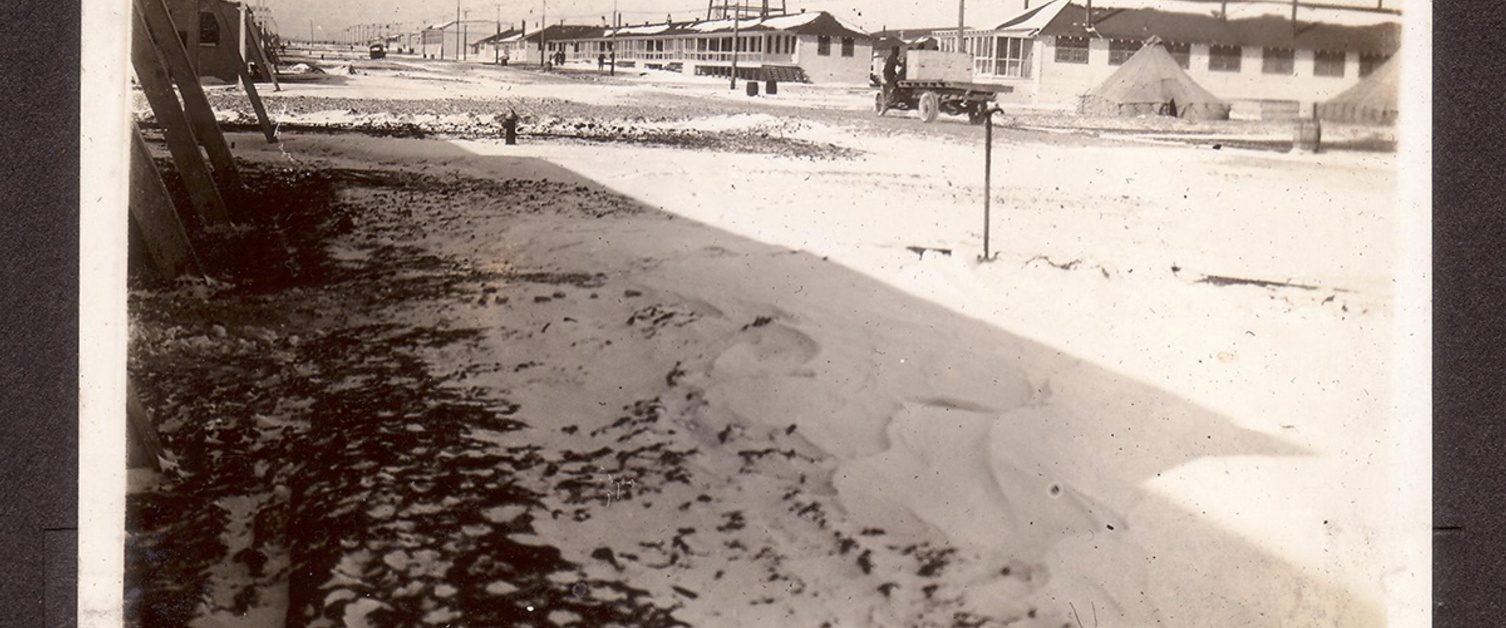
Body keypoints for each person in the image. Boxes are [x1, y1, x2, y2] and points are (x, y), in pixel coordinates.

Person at [880, 46, 905, 113]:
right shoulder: (892, 57)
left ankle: (893, 97)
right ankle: (891, 98)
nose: (898, 53)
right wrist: (905, 63)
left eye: (898, 51)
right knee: (893, 85)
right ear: (894, 51)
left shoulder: (891, 57)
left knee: (894, 83)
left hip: (890, 73)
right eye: (897, 51)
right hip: (888, 74)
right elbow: (899, 64)